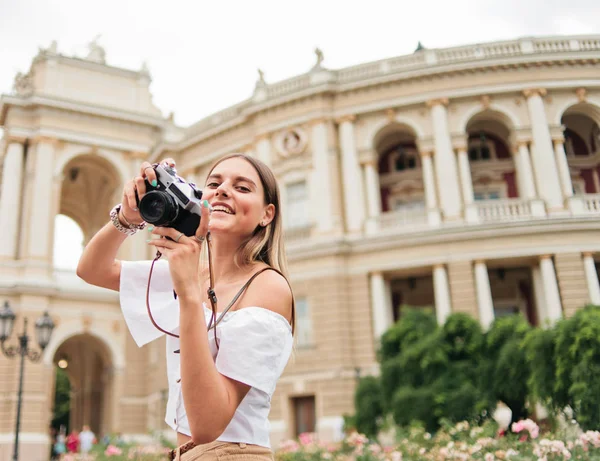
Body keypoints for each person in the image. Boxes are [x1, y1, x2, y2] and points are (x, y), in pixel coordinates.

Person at [77, 154, 295, 460]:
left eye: (242, 188)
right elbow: (92, 270)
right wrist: (128, 218)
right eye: (214, 184)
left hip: (235, 453)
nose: (222, 191)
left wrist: (189, 294)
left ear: (266, 214)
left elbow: (206, 425)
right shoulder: (188, 271)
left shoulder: (267, 285)